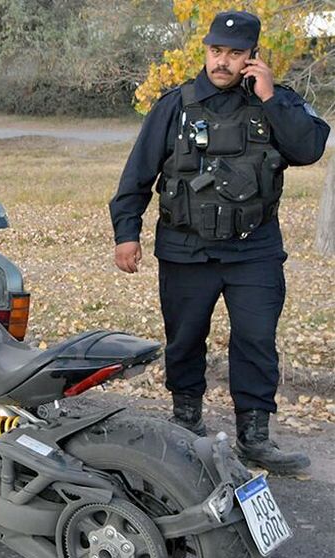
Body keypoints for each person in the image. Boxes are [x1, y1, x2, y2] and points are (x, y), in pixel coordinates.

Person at [109, 10, 329, 473]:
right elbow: (138, 174)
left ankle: (255, 438)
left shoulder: (276, 102)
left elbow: (308, 149)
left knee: (256, 341)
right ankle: (186, 426)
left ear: (253, 56)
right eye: (215, 51)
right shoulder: (175, 105)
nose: (222, 61)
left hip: (254, 250)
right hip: (186, 249)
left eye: (234, 53)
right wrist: (126, 234)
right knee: (185, 340)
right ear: (205, 51)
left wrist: (270, 98)